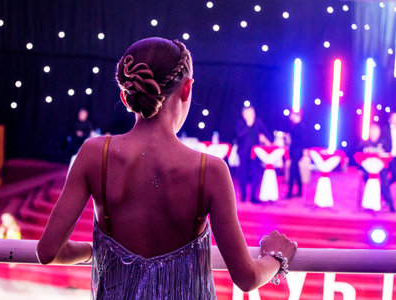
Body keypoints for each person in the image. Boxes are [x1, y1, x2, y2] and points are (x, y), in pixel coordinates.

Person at [37, 37, 297, 299]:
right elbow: (247, 277)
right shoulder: (211, 170)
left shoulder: (94, 154)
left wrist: (93, 251)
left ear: (125, 98)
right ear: (187, 89)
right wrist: (277, 256)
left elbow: (48, 251)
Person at [236, 106, 273, 203]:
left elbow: (265, 132)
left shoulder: (258, 121)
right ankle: (243, 195)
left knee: (256, 174)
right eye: (249, 113)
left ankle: (253, 197)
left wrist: (269, 142)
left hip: (255, 153)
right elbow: (239, 136)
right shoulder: (240, 123)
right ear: (244, 115)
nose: (251, 115)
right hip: (243, 152)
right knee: (243, 174)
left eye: (253, 113)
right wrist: (248, 125)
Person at [359, 123, 395, 212]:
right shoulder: (365, 142)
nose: (374, 133)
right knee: (370, 182)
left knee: (385, 183)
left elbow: (388, 152)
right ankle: (369, 204)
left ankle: (390, 203)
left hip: (380, 168)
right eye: (373, 131)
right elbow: (358, 154)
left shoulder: (383, 142)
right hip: (368, 169)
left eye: (376, 131)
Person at [286, 111, 306, 199]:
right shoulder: (295, 125)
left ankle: (290, 192)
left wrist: (290, 140)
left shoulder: (300, 126)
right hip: (295, 151)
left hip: (296, 152)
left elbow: (300, 141)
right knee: (296, 172)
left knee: (292, 171)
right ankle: (300, 191)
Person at [381, 112, 396, 185]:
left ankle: (386, 188)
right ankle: (385, 188)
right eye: (394, 117)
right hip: (390, 155)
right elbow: (382, 141)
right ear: (390, 119)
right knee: (393, 175)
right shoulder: (385, 129)